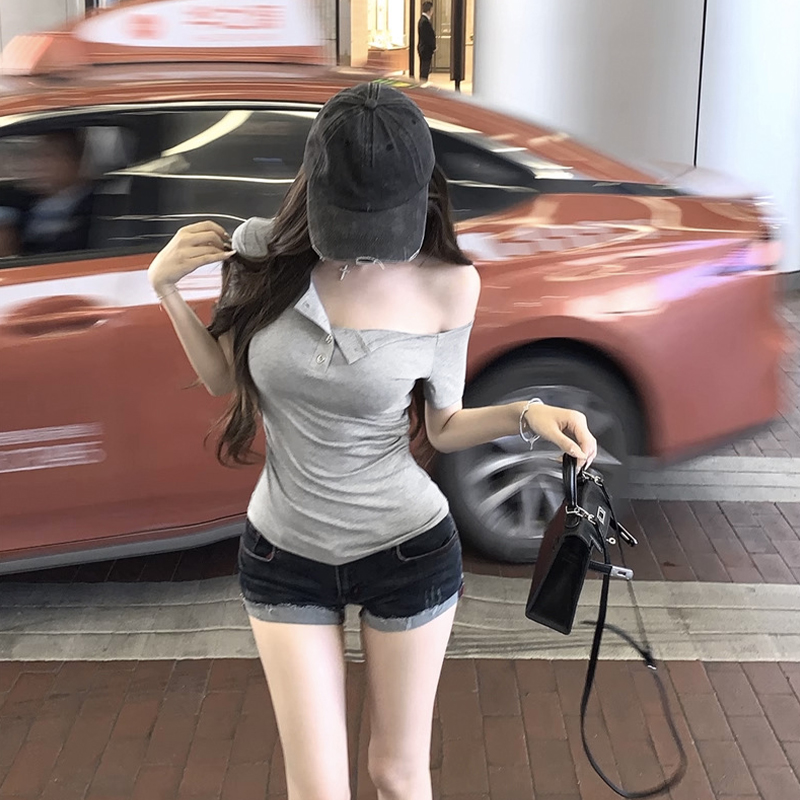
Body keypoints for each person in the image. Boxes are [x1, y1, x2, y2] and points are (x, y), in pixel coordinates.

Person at [147, 82, 597, 800]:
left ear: (420, 192)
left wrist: (526, 412)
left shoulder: (450, 284)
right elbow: (223, 377)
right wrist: (167, 290)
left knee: (396, 773)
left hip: (406, 549)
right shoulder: (259, 255)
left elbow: (442, 426)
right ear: (315, 185)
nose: (363, 249)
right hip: (284, 555)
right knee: (318, 789)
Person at [19, 129, 93, 255]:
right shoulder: (27, 203)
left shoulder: (93, 209)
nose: (37, 165)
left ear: (73, 161)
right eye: (36, 156)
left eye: (48, 156)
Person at [418, 1, 436, 84]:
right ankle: (422, 84)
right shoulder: (424, 21)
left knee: (425, 69)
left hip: (424, 49)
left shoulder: (423, 20)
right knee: (424, 69)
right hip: (425, 49)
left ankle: (423, 83)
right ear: (429, 10)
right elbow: (428, 37)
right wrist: (433, 47)